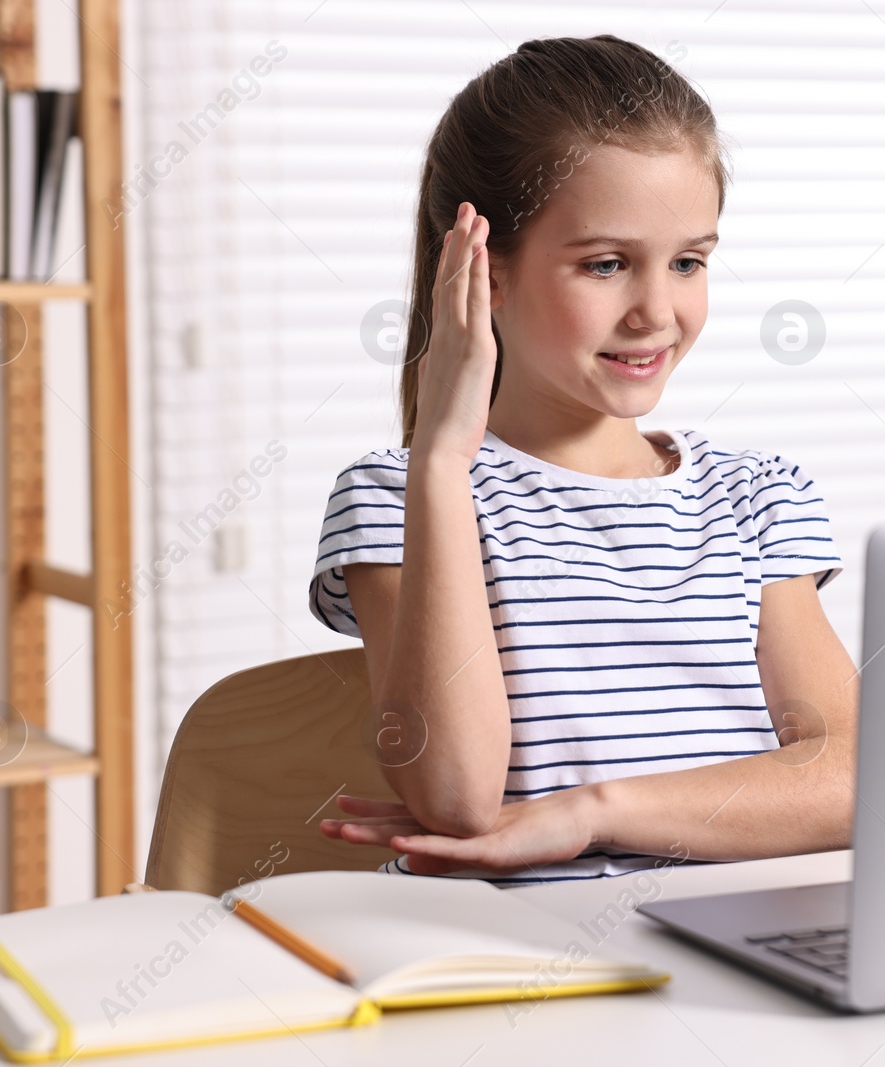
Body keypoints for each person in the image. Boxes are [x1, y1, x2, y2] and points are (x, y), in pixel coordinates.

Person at [309, 35, 857, 885]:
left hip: (733, 942)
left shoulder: (756, 499)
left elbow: (853, 779)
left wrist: (590, 811)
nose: (656, 311)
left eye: (688, 262)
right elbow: (455, 794)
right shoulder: (401, 494)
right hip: (517, 957)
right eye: (606, 264)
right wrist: (443, 462)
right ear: (483, 273)